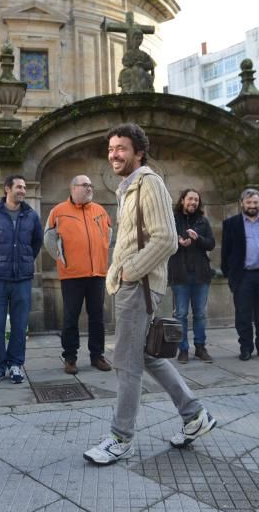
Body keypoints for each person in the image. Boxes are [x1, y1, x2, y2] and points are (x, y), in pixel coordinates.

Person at [83, 124, 215, 466]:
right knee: (147, 355)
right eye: (111, 148)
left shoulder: (149, 182)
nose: (114, 154)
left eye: (121, 148)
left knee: (125, 362)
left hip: (137, 286)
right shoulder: (129, 188)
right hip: (132, 285)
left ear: (139, 152)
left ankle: (120, 437)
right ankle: (194, 415)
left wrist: (130, 271)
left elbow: (166, 239)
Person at [0, 174, 43, 386]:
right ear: (7, 189)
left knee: (20, 325)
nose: (23, 190)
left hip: (22, 279)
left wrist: (23, 261)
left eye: (24, 187)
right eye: (19, 187)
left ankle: (15, 364)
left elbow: (36, 243)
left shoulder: (31, 216)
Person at [44, 174, 112, 375]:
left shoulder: (100, 210)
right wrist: (63, 259)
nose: (89, 188)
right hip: (72, 275)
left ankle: (97, 355)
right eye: (85, 185)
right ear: (73, 188)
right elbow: (48, 239)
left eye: (91, 185)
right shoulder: (58, 211)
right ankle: (70, 358)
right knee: (70, 318)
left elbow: (109, 235)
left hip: (97, 274)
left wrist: (101, 255)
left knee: (97, 316)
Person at [221, 188, 259, 361]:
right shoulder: (231, 224)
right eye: (249, 202)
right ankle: (245, 347)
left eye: (255, 202)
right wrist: (230, 275)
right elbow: (225, 252)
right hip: (243, 276)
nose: (252, 205)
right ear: (242, 204)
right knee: (243, 315)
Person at [168, 188, 215, 364]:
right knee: (180, 314)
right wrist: (178, 242)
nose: (193, 202)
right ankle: (183, 349)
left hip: (200, 275)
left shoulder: (203, 221)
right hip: (180, 274)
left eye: (196, 200)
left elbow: (211, 244)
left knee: (200, 314)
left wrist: (198, 239)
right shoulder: (172, 219)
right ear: (182, 201)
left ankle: (200, 347)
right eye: (190, 199)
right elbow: (164, 241)